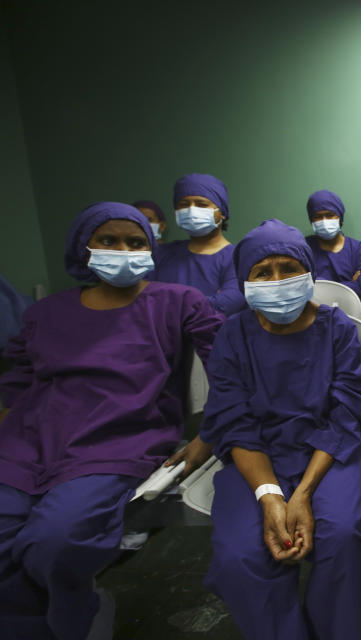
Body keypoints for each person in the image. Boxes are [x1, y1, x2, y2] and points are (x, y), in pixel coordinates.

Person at [0, 202, 223, 639]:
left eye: (135, 242)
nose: (123, 250)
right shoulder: (46, 312)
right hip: (29, 438)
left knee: (56, 543)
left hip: (119, 439)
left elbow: (230, 365)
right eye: (108, 241)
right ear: (84, 248)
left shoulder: (177, 303)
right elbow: (18, 379)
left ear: (151, 248)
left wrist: (211, 435)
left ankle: (79, 617)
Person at [200, 219, 361, 640]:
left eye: (288, 268)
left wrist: (301, 494)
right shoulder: (233, 335)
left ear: (309, 272)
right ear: (245, 281)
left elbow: (348, 412)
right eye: (263, 272)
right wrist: (270, 496)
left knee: (344, 535)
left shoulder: (337, 330)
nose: (277, 280)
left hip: (330, 455)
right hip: (258, 458)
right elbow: (234, 421)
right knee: (240, 555)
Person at [153, 173, 246, 316]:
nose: (191, 210)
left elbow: (226, 305)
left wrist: (167, 304)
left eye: (201, 204)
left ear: (222, 212)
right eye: (184, 205)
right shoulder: (162, 254)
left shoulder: (237, 258)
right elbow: (144, 299)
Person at [305, 190, 361, 315]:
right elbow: (304, 288)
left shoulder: (358, 249)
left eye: (330, 215)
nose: (324, 221)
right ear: (311, 220)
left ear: (340, 218)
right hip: (316, 314)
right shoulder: (305, 248)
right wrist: (350, 284)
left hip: (356, 314)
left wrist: (320, 285)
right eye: (318, 216)